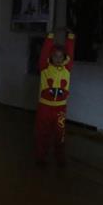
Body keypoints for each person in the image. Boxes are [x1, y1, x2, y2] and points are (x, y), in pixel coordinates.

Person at [35, 29, 75, 166]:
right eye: (55, 56)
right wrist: (50, 36)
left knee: (60, 135)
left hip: (60, 109)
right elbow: (45, 52)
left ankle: (60, 158)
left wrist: (70, 37)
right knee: (43, 133)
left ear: (65, 58)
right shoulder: (44, 67)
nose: (58, 59)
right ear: (50, 57)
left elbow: (70, 52)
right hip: (44, 107)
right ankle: (41, 157)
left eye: (60, 56)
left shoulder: (67, 68)